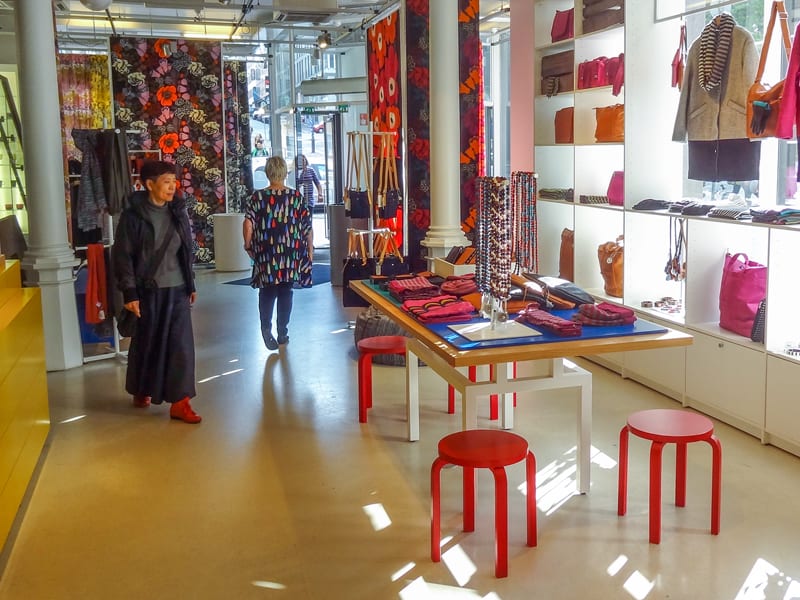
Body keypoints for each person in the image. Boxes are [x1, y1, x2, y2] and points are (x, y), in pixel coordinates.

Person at [111, 160, 201, 424]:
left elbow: (187, 249)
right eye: (166, 181)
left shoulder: (178, 211)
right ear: (149, 184)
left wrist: (191, 283)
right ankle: (142, 388)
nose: (172, 186)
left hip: (178, 287)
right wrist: (130, 293)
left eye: (174, 180)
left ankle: (181, 402)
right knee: (148, 341)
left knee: (181, 345)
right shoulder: (133, 215)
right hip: (148, 290)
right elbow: (123, 256)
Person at [243, 156, 313, 350]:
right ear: (285, 173)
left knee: (267, 291)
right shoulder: (296, 197)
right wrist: (310, 249)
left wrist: (248, 245)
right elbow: (307, 226)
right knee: (286, 290)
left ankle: (266, 328)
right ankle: (283, 332)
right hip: (290, 252)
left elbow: (248, 223)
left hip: (266, 251)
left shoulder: (257, 197)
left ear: (267, 173)